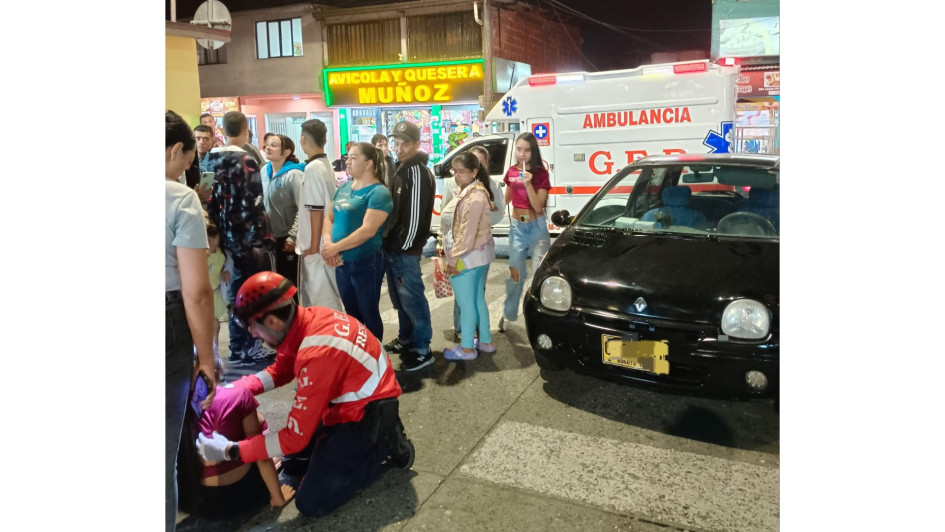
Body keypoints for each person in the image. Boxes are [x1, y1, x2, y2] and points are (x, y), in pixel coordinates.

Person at [194, 272, 416, 518]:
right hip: (351, 398)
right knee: (294, 463)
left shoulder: (317, 352)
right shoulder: (308, 319)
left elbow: (294, 438)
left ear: (272, 322)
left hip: (365, 414)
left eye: (253, 329)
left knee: (311, 501)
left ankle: (383, 444)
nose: (254, 335)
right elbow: (283, 368)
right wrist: (238, 388)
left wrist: (230, 450)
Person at [166, 109, 217, 532]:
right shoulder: (179, 198)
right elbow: (197, 291)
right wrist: (206, 355)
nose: (189, 166)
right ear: (174, 150)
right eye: (187, 157)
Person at [176, 357, 295, 520]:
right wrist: (277, 497)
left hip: (197, 504)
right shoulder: (238, 395)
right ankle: (266, 478)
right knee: (258, 427)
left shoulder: (173, 404)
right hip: (246, 495)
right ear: (217, 371)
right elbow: (261, 454)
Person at [205, 111, 276, 368]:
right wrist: (264, 239)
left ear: (222, 132)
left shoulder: (209, 159)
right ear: (246, 130)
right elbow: (255, 204)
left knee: (233, 295)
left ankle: (236, 348)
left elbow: (208, 200)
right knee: (253, 294)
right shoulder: (247, 160)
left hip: (219, 238)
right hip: (247, 239)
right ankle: (250, 348)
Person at [321, 142, 393, 342]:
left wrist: (335, 247)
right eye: (347, 157)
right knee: (351, 315)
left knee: (368, 312)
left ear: (369, 163)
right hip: (341, 262)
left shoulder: (378, 192)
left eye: (353, 157)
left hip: (365, 261)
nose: (347, 161)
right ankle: (357, 358)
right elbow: (329, 218)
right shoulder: (343, 187)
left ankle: (376, 358)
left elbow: (368, 230)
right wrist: (329, 245)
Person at [382, 121, 435, 372]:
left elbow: (414, 218)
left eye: (405, 144)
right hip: (395, 248)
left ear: (416, 144)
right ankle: (406, 340)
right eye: (397, 143)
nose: (399, 148)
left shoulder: (416, 172)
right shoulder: (403, 168)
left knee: (412, 300)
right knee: (400, 301)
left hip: (405, 250)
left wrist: (402, 246)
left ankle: (422, 348)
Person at [437, 145, 504, 342]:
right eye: (454, 171)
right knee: (476, 301)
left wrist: (453, 258)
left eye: (461, 171)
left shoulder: (475, 195)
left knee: (466, 303)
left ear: (475, 170)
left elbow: (466, 233)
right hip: (474, 254)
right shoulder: (470, 190)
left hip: (468, 257)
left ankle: (466, 347)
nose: (456, 176)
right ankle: (484, 341)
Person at [499, 132, 551, 332]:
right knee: (515, 273)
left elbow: (538, 207)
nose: (522, 154)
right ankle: (508, 313)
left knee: (540, 274)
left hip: (536, 227)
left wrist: (528, 183)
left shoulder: (540, 173)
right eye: (519, 149)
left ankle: (541, 320)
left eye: (527, 150)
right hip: (518, 228)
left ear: (533, 151)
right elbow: (506, 199)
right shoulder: (512, 171)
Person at [296, 119, 344, 311]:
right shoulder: (325, 164)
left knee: (320, 302)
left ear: (302, 139)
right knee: (330, 297)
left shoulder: (312, 168)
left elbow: (315, 210)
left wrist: (314, 247)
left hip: (316, 245)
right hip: (327, 240)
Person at [261, 134, 304, 286]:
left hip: (288, 240)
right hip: (270, 239)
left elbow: (303, 208)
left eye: (274, 145)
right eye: (267, 144)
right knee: (275, 284)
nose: (268, 147)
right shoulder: (264, 172)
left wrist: (292, 236)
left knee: (290, 284)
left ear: (286, 152)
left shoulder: (294, 175)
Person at [206, 222, 230, 360]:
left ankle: (214, 348)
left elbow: (222, 270)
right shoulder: (203, 253)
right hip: (203, 293)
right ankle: (203, 349)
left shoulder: (222, 254)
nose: (211, 241)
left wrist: (224, 274)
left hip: (214, 293)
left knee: (215, 323)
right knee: (204, 322)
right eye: (208, 238)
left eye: (214, 238)